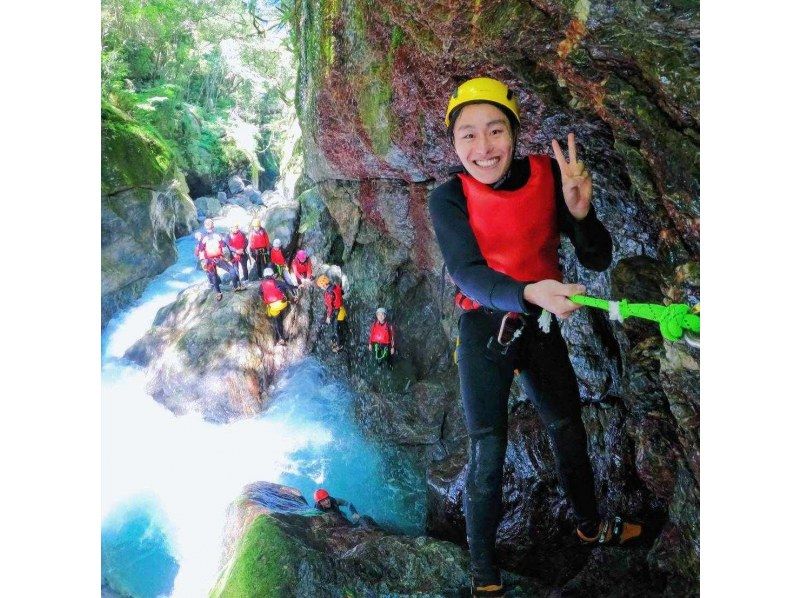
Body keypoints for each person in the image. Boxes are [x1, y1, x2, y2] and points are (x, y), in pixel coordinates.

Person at [428, 77, 641, 596]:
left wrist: (580, 212)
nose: (483, 148)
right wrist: (528, 293)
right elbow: (468, 273)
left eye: (495, 130)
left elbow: (596, 258)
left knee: (569, 430)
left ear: (515, 132)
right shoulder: (449, 196)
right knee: (488, 451)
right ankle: (485, 578)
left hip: (540, 325)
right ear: (454, 144)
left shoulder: (548, 176)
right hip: (487, 327)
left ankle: (590, 525)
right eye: (468, 136)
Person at [197, 218, 244, 301]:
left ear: (205, 226)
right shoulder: (217, 235)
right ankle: (236, 286)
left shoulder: (203, 238)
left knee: (213, 275)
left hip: (209, 260)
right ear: (213, 226)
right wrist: (228, 257)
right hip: (219, 258)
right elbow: (224, 247)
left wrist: (202, 261)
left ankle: (218, 292)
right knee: (232, 270)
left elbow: (201, 250)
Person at [257, 267, 295, 345]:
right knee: (285, 300)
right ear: (272, 275)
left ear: (264, 276)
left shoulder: (261, 285)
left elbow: (260, 294)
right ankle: (291, 302)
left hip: (272, 306)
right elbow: (288, 286)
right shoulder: (277, 282)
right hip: (282, 304)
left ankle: (281, 338)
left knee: (277, 321)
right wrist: (297, 287)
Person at [317, 275, 346, 351]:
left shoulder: (329, 293)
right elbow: (342, 292)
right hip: (341, 309)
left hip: (337, 311)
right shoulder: (335, 286)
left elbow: (330, 307)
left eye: (321, 286)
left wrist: (328, 317)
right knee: (338, 327)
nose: (321, 288)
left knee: (336, 329)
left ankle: (339, 345)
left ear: (325, 285)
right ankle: (335, 340)